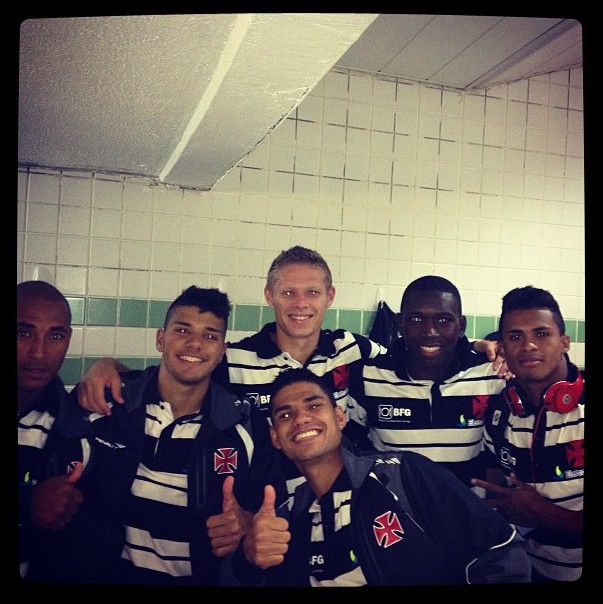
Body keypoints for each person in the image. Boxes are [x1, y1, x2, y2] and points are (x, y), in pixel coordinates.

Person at [76, 248, 504, 496]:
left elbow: (419, 349)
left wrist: (479, 347)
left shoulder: (353, 351)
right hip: (260, 505)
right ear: (270, 296)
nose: (301, 304)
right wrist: (108, 367)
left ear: (329, 296)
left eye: (312, 292)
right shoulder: (235, 359)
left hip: (342, 504)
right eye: (288, 292)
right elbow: (177, 372)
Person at [224, 367, 531, 586]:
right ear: (275, 438)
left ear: (340, 417)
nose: (301, 418)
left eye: (314, 405)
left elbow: (501, 550)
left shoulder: (402, 474)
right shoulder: (286, 518)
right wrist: (248, 557)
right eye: (285, 414)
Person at [68, 286, 282, 585]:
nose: (195, 344)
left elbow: (262, 519)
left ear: (221, 351)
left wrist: (247, 523)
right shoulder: (107, 402)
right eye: (182, 330)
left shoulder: (246, 427)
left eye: (210, 336)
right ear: (160, 339)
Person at [349, 275, 511, 490]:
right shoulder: (368, 376)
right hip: (392, 510)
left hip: (468, 509)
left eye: (444, 320)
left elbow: (499, 458)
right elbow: (353, 452)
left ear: (461, 325)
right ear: (400, 323)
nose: (430, 332)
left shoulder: (492, 374)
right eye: (416, 319)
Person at [470, 286, 584, 583]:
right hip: (523, 570)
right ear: (503, 348)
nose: (529, 345)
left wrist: (545, 514)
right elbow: (495, 483)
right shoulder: (499, 411)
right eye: (515, 336)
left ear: (564, 342)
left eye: (542, 334)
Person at [17, 280, 90, 582]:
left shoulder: (75, 431)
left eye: (55, 335)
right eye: (23, 333)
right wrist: (27, 504)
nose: (39, 353)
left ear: (68, 339)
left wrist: (107, 366)